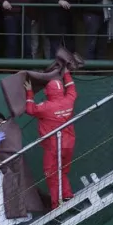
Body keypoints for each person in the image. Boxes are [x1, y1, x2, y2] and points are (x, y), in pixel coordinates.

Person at [24, 70, 77, 209]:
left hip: (52, 147)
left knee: (52, 175)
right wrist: (66, 73)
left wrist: (29, 92)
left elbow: (29, 109)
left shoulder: (45, 107)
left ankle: (56, 203)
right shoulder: (69, 101)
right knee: (63, 171)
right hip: (69, 144)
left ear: (48, 92)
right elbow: (71, 88)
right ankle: (67, 195)